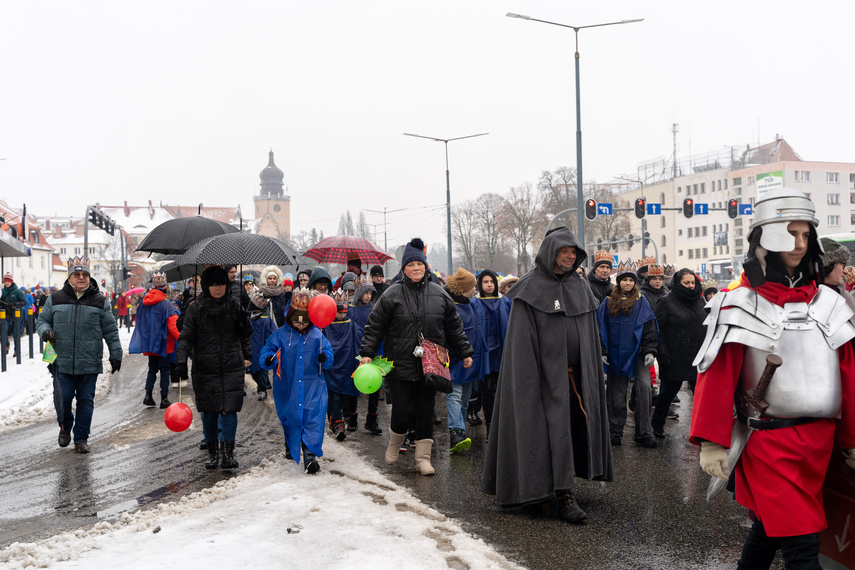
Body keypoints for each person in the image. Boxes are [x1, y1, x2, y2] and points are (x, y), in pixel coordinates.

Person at [690, 188, 855, 569]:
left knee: (770, 527)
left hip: (818, 443)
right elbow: (717, 373)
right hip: (768, 441)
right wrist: (712, 441)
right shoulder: (739, 303)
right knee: (801, 542)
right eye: (790, 234)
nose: (799, 244)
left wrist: (850, 439)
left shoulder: (830, 304)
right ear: (766, 239)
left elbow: (847, 375)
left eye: (805, 235)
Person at [482, 227, 612, 524]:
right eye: (564, 251)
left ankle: (564, 488)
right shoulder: (529, 288)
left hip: (575, 379)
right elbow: (521, 344)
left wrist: (590, 368)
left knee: (568, 430)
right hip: (538, 380)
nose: (570, 257)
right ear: (551, 252)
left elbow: (588, 334)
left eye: (574, 253)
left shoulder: (581, 287)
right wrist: (532, 378)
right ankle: (547, 492)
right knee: (540, 434)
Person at [360, 237, 474, 476]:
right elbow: (375, 326)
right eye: (411, 265)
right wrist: (367, 354)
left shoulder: (440, 294)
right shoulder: (391, 294)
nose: (416, 269)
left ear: (425, 266)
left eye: (419, 265)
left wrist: (464, 352)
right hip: (400, 364)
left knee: (425, 412)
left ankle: (423, 459)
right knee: (402, 410)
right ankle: (395, 443)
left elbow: (454, 326)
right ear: (404, 269)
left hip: (430, 365)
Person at [37, 256, 122, 454]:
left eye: (85, 274)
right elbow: (42, 321)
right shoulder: (55, 298)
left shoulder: (100, 301)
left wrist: (115, 353)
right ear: (69, 277)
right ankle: (65, 426)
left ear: (89, 276)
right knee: (63, 397)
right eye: (77, 274)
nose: (81, 278)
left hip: (89, 360)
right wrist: (45, 331)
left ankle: (81, 438)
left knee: (86, 400)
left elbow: (110, 330)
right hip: (60, 359)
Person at [174, 266, 252, 470]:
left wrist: (245, 323)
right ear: (207, 286)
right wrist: (181, 361)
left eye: (222, 284)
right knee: (208, 412)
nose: (218, 288)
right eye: (214, 284)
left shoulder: (234, 305)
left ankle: (228, 454)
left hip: (231, 366)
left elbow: (246, 333)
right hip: (204, 368)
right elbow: (186, 337)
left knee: (229, 410)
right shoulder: (195, 308)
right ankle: (212, 453)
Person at [260, 288, 334, 473]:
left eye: (304, 322)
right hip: (288, 385)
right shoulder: (280, 335)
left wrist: (324, 358)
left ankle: (310, 456)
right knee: (291, 417)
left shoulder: (317, 335)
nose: (300, 326)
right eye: (296, 321)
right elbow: (268, 351)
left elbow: (328, 355)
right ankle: (290, 443)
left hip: (313, 387)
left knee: (312, 419)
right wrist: (268, 359)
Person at [597, 262, 659, 449]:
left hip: (639, 354)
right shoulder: (607, 302)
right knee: (616, 394)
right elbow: (600, 329)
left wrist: (650, 350)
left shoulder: (642, 301)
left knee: (644, 391)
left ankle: (644, 432)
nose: (628, 283)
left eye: (631, 280)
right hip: (616, 354)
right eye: (625, 280)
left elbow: (649, 328)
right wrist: (602, 351)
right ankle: (615, 431)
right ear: (619, 282)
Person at [651, 268, 705, 438]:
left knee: (701, 396)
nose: (690, 286)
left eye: (692, 282)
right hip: (674, 356)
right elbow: (658, 330)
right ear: (677, 283)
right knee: (668, 394)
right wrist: (663, 353)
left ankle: (701, 430)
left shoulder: (700, 301)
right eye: (686, 283)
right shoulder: (666, 302)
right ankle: (657, 423)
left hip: (698, 355)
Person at [444, 268, 488, 454]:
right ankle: (456, 432)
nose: (475, 290)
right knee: (454, 395)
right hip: (455, 361)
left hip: (470, 361)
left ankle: (460, 432)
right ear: (463, 289)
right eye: (472, 287)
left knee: (463, 399)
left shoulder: (469, 303)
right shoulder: (450, 306)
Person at [467, 269, 510, 433]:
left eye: (491, 281)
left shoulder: (505, 302)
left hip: (502, 352)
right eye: (485, 282)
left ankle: (503, 425)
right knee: (487, 390)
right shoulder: (473, 303)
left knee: (502, 390)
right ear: (480, 284)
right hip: (484, 354)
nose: (489, 284)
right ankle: (491, 425)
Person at [129, 272, 179, 409]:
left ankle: (148, 395)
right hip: (164, 344)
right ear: (164, 288)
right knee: (164, 371)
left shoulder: (144, 304)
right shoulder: (166, 305)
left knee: (152, 370)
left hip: (150, 344)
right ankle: (164, 399)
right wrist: (183, 340)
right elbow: (173, 326)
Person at [323, 291, 363, 441]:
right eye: (339, 312)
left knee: (343, 395)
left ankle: (335, 420)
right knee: (334, 396)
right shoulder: (325, 326)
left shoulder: (351, 324)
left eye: (344, 312)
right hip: (332, 366)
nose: (342, 315)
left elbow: (361, 340)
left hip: (345, 365)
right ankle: (339, 424)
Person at [247, 288, 277, 401]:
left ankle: (262, 389)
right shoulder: (250, 319)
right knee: (253, 371)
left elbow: (273, 334)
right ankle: (263, 385)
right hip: (252, 347)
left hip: (263, 348)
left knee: (262, 370)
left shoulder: (266, 320)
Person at [1, 272, 27, 353]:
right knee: (3, 331)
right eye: (5, 281)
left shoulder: (18, 291)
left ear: (11, 281)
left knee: (16, 333)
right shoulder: (2, 291)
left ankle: (17, 349)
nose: (6, 283)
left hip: (16, 314)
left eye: (8, 281)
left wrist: (14, 304)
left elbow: (24, 302)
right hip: (5, 314)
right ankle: (6, 345)